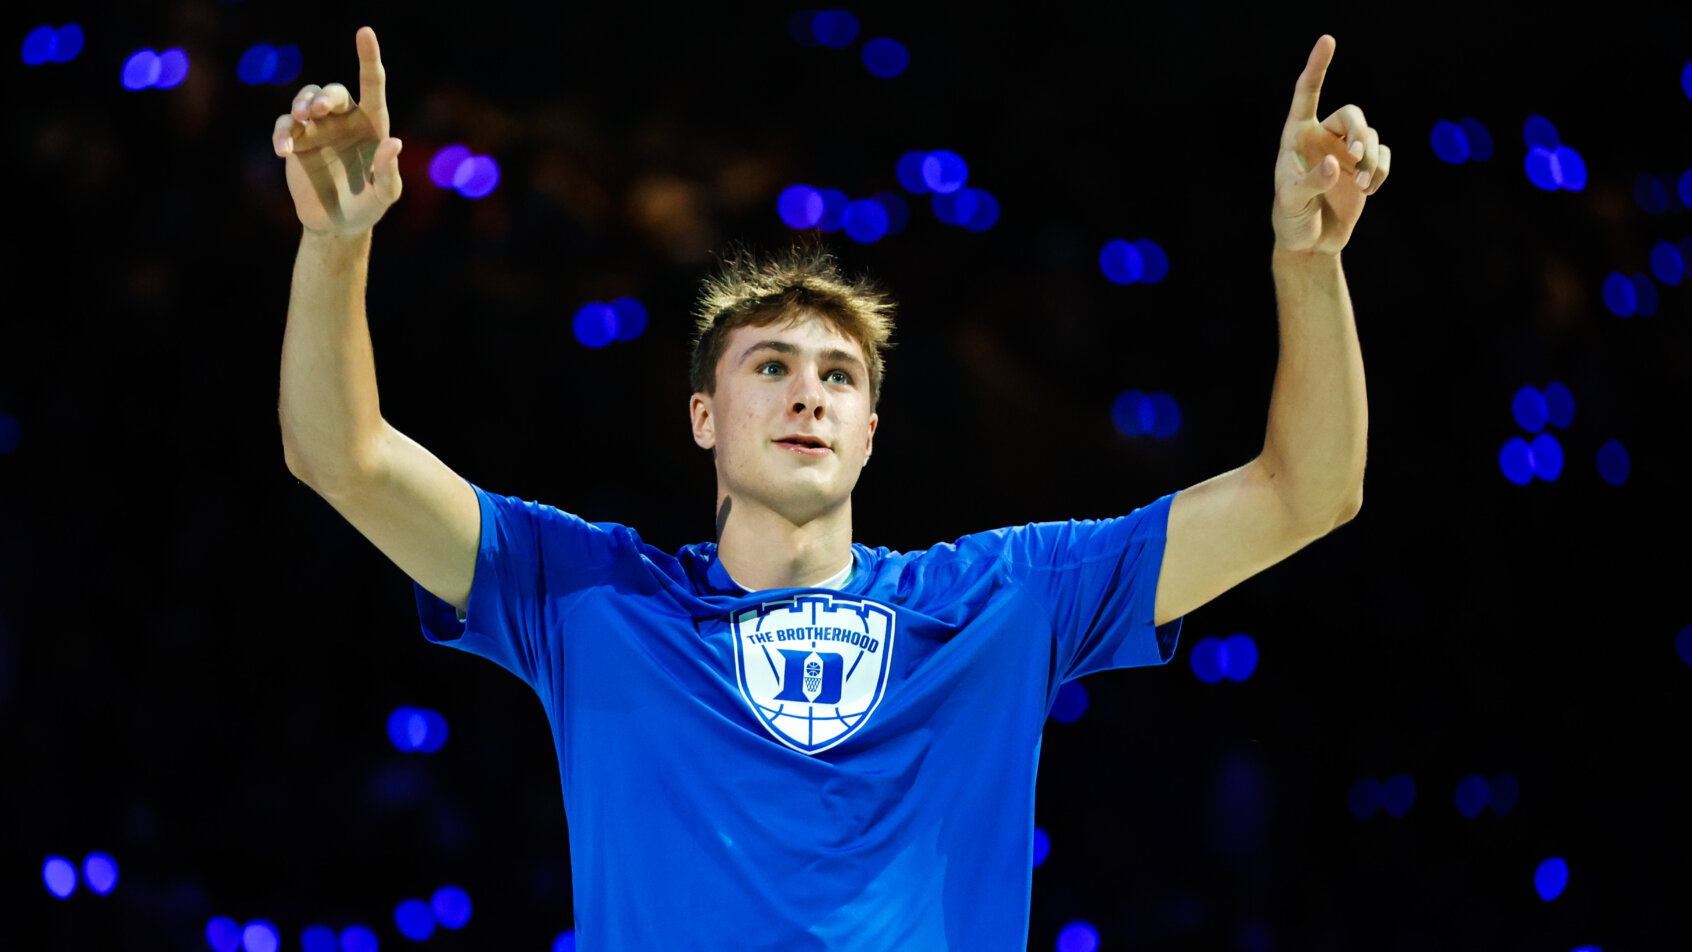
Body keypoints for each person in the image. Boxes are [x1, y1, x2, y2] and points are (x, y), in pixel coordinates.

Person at [275, 26, 1388, 952]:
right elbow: (345, 457)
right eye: (770, 367)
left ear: (868, 434)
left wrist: (1311, 263)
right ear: (704, 418)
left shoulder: (1005, 599)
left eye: (838, 376)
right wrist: (333, 248)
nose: (807, 392)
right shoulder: (590, 596)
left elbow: (1308, 490)